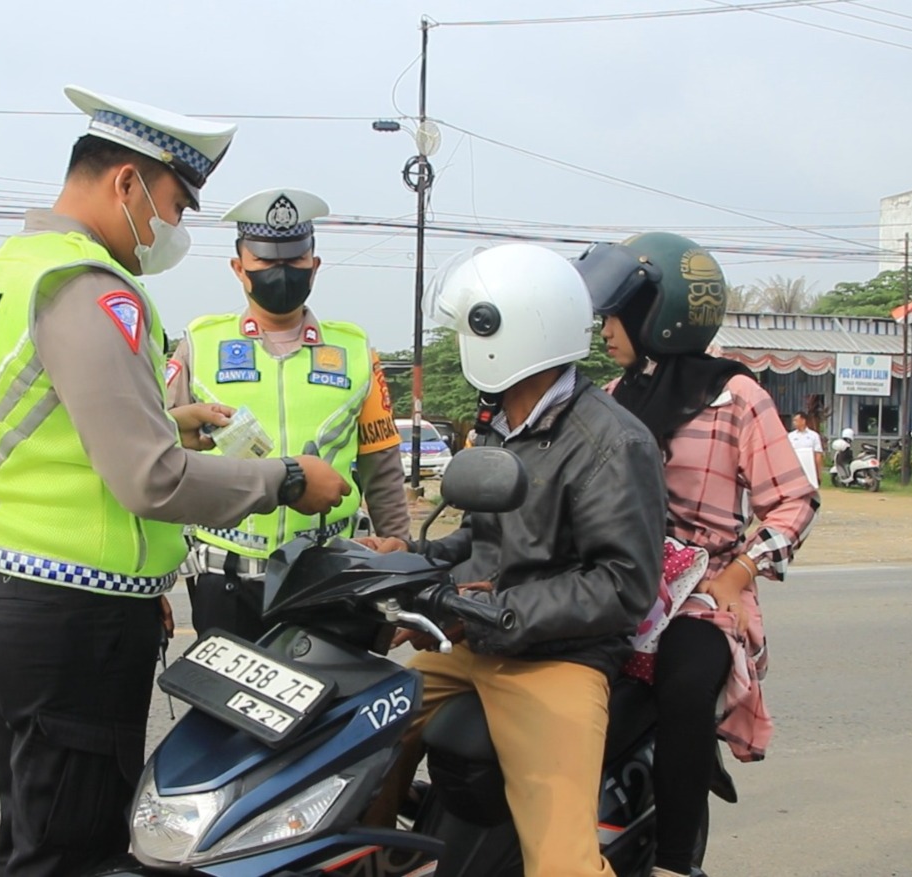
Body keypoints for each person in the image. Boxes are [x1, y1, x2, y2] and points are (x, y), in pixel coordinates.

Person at [0, 85, 350, 877]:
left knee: (35, 827)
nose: (175, 227)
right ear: (127, 184)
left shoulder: (10, 270)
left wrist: (173, 422)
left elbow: (59, 439)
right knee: (75, 851)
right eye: (175, 202)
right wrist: (287, 479)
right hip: (71, 621)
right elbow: (151, 480)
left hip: (7, 586)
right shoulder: (88, 287)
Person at [364, 243, 667, 876]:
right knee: (354, 739)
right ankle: (375, 854)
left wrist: (494, 612)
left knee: (562, 862)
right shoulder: (500, 424)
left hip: (556, 659)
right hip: (475, 640)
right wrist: (407, 559)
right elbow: (478, 540)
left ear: (500, 333)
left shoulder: (612, 442)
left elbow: (623, 585)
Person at [574, 232, 819, 877]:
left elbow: (794, 501)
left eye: (617, 315)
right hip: (621, 582)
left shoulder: (737, 396)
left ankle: (677, 864)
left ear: (662, 315)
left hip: (704, 592)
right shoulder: (609, 398)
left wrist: (740, 572)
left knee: (684, 691)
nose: (605, 329)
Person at [167, 187, 409, 640]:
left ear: (314, 267)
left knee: (334, 707)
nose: (282, 272)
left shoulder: (355, 350)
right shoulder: (200, 344)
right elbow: (154, 456)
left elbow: (382, 467)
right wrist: (152, 583)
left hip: (330, 573)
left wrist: (401, 552)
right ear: (240, 268)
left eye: (295, 261)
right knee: (228, 709)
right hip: (228, 577)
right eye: (266, 262)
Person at [787, 410, 824, 487]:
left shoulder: (814, 436)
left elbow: (818, 455)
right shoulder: (790, 436)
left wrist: (819, 474)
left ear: (803, 421)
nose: (794, 423)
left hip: (809, 468)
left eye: (796, 420)